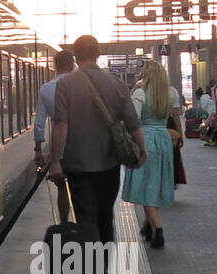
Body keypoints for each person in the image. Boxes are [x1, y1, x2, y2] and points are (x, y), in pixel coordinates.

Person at [47, 35, 147, 248]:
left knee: (86, 217)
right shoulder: (116, 83)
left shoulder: (65, 85)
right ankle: (104, 268)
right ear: (98, 53)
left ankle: (92, 271)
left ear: (75, 55)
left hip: (77, 165)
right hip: (109, 163)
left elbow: (61, 125)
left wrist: (55, 161)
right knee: (105, 215)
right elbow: (132, 122)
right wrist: (143, 150)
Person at [121, 59, 182, 249]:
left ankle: (158, 229)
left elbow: (133, 119)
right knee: (154, 182)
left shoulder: (140, 93)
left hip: (146, 139)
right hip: (163, 140)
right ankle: (149, 226)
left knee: (145, 186)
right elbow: (174, 116)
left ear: (145, 75)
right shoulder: (168, 94)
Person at [34, 49, 75, 169]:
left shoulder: (46, 88)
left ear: (55, 66)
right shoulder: (81, 85)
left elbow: (39, 122)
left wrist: (38, 149)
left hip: (57, 142)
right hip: (81, 142)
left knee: (60, 178)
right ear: (72, 65)